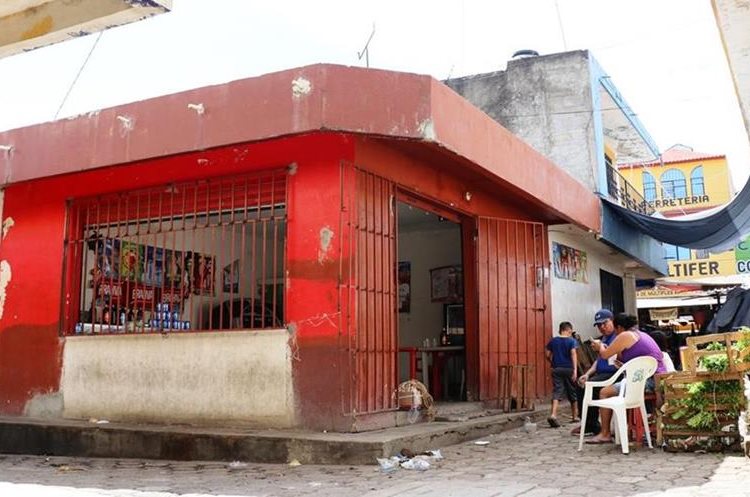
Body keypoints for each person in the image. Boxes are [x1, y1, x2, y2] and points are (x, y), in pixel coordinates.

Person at [586, 313, 667, 444]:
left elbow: (605, 355)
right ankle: (616, 429)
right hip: (656, 378)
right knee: (612, 388)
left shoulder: (625, 335)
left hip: (648, 381)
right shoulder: (640, 334)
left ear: (618, 327)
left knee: (604, 392)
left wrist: (599, 346)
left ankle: (605, 433)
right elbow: (630, 359)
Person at [571, 309, 618, 436]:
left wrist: (601, 348)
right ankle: (588, 423)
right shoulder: (604, 338)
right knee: (581, 383)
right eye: (599, 325)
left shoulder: (617, 336)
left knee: (589, 386)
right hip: (601, 373)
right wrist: (587, 374)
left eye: (605, 323)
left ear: (612, 321)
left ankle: (592, 425)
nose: (602, 327)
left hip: (614, 374)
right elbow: (598, 360)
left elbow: (614, 357)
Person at [545, 321, 579, 427]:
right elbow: (573, 354)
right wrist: (575, 370)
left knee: (557, 391)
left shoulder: (553, 341)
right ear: (568, 330)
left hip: (556, 369)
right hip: (568, 368)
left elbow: (547, 354)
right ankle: (575, 416)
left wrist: (552, 362)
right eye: (570, 331)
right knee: (572, 391)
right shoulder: (571, 341)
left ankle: (553, 414)